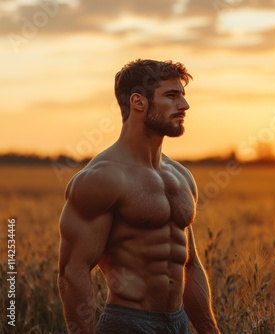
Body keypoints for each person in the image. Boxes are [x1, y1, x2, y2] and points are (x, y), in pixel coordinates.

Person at [58, 59, 220, 334]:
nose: (184, 105)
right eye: (171, 96)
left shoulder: (180, 176)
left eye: (183, 95)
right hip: (128, 323)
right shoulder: (103, 177)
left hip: (178, 323)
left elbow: (189, 264)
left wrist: (210, 330)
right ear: (138, 102)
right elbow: (72, 272)